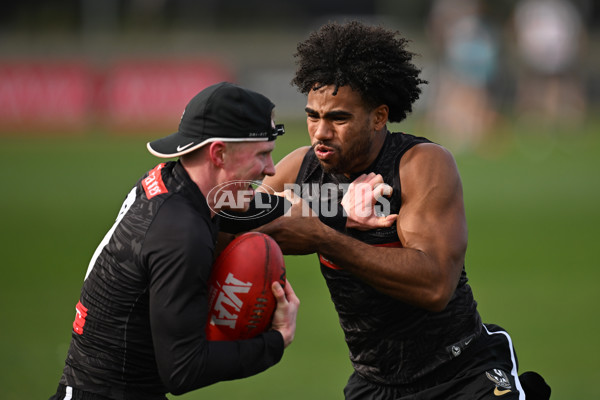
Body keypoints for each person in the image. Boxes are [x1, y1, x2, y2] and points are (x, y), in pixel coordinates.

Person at [253, 21, 550, 399]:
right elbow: (236, 217)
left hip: (461, 376)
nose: (320, 133)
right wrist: (335, 215)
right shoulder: (302, 169)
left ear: (379, 117)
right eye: (313, 116)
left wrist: (323, 235)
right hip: (374, 384)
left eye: (338, 118)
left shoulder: (420, 165)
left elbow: (434, 285)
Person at [49, 82, 300, 400]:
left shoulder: (174, 181)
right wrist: (276, 341)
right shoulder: (183, 234)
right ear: (219, 153)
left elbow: (250, 205)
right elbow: (183, 369)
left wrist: (339, 207)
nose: (271, 169)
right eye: (262, 155)